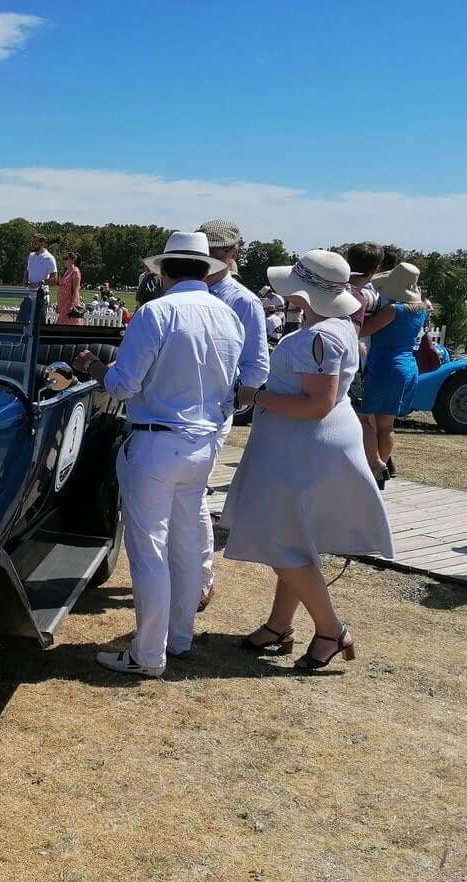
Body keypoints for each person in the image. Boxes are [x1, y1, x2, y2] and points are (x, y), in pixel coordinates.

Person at [73, 232, 243, 677]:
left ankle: (148, 653)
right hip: (203, 443)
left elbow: (124, 385)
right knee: (186, 545)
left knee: (149, 549)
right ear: (205, 270)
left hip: (156, 440)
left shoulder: (157, 312)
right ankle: (179, 637)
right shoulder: (229, 316)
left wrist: (91, 366)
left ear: (165, 271)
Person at [222, 250, 393, 671]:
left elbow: (317, 404)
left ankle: (332, 629)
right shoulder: (337, 329)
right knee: (295, 538)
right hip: (311, 443)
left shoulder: (319, 336)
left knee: (281, 538)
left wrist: (253, 395)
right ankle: (281, 624)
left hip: (305, 447)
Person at [193, 218, 270, 612]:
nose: (204, 260)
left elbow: (257, 367)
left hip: (210, 413)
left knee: (192, 496)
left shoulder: (242, 301)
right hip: (177, 408)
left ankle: (202, 578)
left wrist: (230, 403)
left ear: (230, 257)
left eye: (213, 253)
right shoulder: (181, 290)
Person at [357, 262, 428, 483]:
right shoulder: (420, 310)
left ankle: (374, 464)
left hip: (385, 366)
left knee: (365, 419)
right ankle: (382, 468)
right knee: (387, 424)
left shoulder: (392, 310)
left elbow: (364, 330)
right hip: (407, 366)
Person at [342, 241, 386, 477]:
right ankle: (375, 462)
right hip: (352, 362)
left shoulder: (334, 289)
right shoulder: (362, 297)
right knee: (362, 418)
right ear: (375, 268)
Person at [54, 251, 83, 324]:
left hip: (69, 303)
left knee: (68, 323)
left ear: (73, 260)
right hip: (62, 303)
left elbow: (75, 289)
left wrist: (72, 305)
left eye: (67, 259)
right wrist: (58, 303)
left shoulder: (75, 272)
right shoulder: (66, 272)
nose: (65, 261)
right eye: (64, 259)